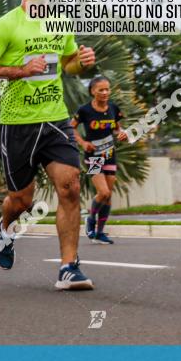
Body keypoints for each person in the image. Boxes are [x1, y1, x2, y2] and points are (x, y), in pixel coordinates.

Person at [0, 0, 97, 291]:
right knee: (21, 200)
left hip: (55, 118)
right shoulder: (6, 25)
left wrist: (81, 61)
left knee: (69, 186)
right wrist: (21, 71)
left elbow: (68, 63)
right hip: (17, 123)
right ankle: (5, 230)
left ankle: (69, 267)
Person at [72, 75, 128, 244]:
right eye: (100, 90)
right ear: (92, 91)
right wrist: (83, 143)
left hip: (110, 155)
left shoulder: (113, 108)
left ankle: (100, 233)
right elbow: (70, 128)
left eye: (107, 89)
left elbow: (117, 128)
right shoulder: (84, 110)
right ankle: (90, 219)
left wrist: (122, 133)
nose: (105, 92)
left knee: (108, 196)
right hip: (94, 156)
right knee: (103, 192)